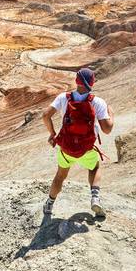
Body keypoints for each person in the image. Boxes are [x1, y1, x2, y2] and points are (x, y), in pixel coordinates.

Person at [41, 68, 114, 217]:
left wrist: (53, 134)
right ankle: (95, 198)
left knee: (60, 175)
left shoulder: (64, 97)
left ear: (76, 81)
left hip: (66, 147)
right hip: (87, 148)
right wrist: (111, 114)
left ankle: (49, 203)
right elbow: (107, 129)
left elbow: (45, 115)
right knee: (94, 168)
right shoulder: (97, 102)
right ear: (92, 83)